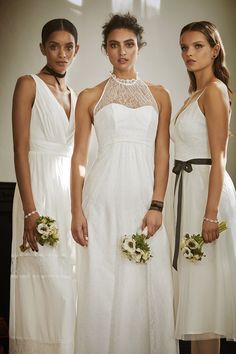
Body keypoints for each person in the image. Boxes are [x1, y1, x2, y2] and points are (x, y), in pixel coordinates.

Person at [71, 13, 178, 354]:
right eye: (114, 45)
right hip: (102, 199)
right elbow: (80, 160)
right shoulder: (90, 96)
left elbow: (163, 154)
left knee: (145, 283)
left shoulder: (160, 95)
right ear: (104, 50)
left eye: (129, 44)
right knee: (102, 284)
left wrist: (157, 204)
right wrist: (76, 211)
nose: (122, 52)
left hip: (142, 200)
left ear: (139, 47)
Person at [10, 18, 79, 354]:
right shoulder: (28, 84)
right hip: (36, 190)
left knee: (68, 283)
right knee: (41, 279)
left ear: (76, 50)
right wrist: (30, 209)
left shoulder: (77, 97)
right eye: (54, 46)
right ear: (42, 48)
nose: (61, 53)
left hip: (67, 194)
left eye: (68, 46)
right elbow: (19, 149)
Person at [170, 21, 236, 354]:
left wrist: (210, 214)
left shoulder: (215, 91)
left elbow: (219, 155)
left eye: (197, 46)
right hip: (187, 190)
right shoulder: (193, 94)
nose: (188, 53)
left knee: (205, 301)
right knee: (196, 300)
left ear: (214, 50)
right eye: (184, 47)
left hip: (206, 195)